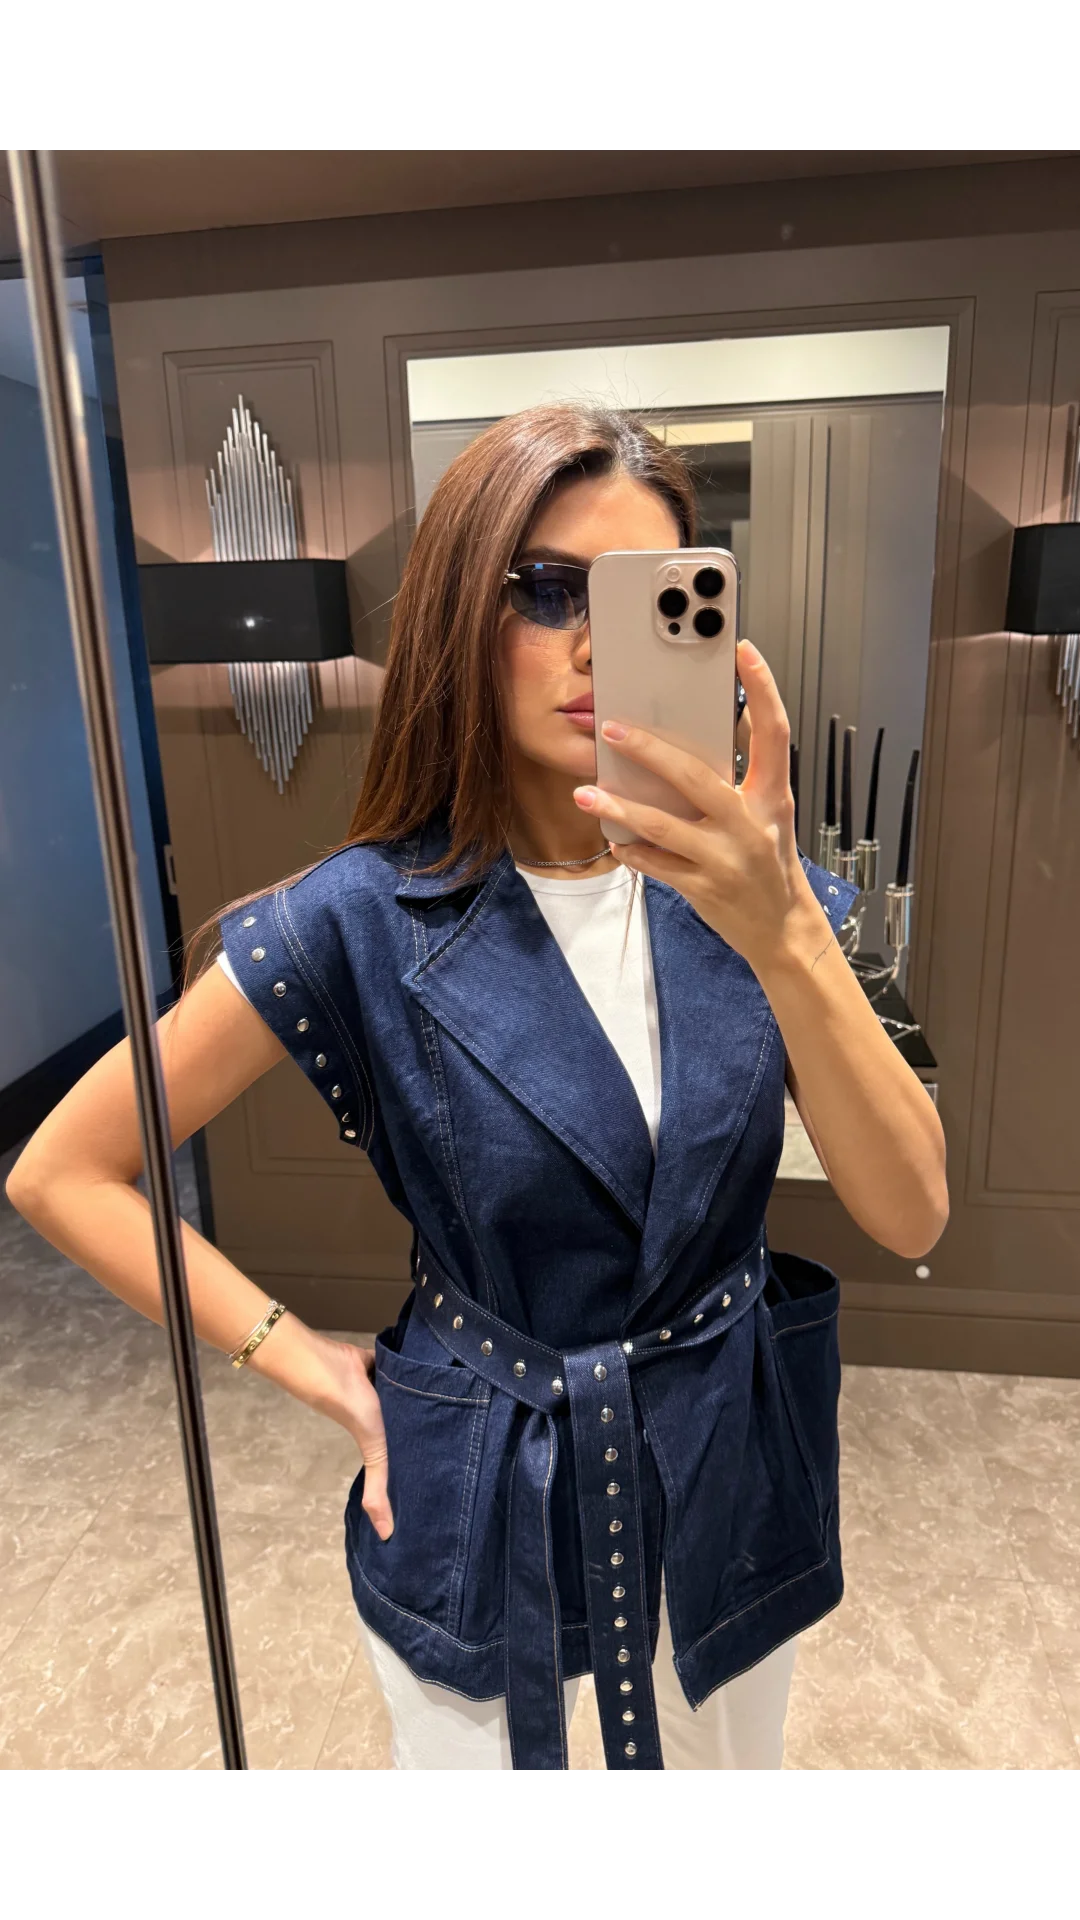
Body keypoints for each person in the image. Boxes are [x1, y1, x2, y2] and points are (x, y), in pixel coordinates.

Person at [5, 403, 948, 1775]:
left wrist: (788, 931)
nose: (591, 644)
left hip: (728, 1466)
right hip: (484, 1478)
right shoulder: (359, 918)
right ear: (461, 610)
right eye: (547, 590)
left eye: (640, 598)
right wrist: (307, 1364)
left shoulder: (759, 895)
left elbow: (913, 1213)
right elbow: (63, 1169)